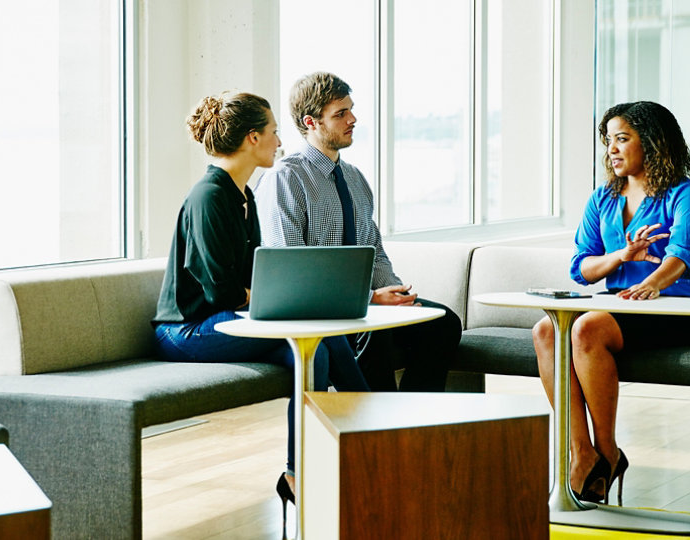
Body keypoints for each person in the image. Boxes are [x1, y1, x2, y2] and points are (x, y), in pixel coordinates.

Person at [152, 91, 368, 527]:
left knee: (331, 342)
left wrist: (279, 296)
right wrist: (272, 299)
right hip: (188, 331)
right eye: (272, 133)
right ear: (252, 138)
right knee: (314, 350)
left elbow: (254, 277)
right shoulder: (209, 197)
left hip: (225, 321)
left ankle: (366, 452)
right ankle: (300, 472)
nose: (279, 142)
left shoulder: (242, 194)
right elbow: (221, 292)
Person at [532, 101, 690, 505]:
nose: (611, 149)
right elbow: (582, 268)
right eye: (608, 140)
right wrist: (621, 257)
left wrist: (649, 283)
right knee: (546, 329)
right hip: (620, 306)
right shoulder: (602, 199)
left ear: (653, 143)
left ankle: (608, 451)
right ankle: (581, 452)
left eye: (622, 139)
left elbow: (681, 257)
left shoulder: (685, 194)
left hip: (673, 308)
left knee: (587, 327)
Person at [253, 71, 462, 392]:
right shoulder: (285, 179)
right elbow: (292, 273)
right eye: (340, 114)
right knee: (375, 329)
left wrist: (395, 296)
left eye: (350, 109)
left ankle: (411, 418)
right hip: (319, 313)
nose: (353, 119)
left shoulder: (355, 179)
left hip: (364, 306)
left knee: (442, 323)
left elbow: (374, 252)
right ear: (311, 122)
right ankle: (375, 426)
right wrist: (370, 300)